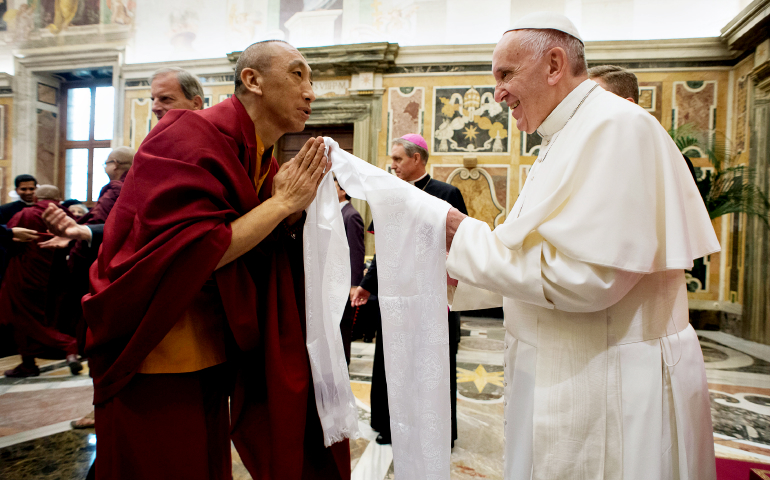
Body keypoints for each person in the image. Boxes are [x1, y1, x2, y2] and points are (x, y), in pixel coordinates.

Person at [444, 13, 719, 480]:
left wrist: (461, 235)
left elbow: (589, 280)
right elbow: (530, 257)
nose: (498, 94)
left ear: (554, 64)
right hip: (566, 368)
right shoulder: (563, 135)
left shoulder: (615, 127)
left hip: (612, 380)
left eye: (506, 75)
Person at [81, 40, 348, 480]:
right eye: (298, 74)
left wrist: (287, 211)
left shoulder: (258, 154)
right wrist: (281, 206)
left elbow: (252, 248)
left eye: (311, 79)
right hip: (157, 346)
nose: (310, 92)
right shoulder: (186, 132)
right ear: (252, 80)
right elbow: (190, 251)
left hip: (212, 347)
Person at [351, 133, 467, 446]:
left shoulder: (447, 193)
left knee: (431, 366)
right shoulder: (392, 196)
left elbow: (459, 246)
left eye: (398, 159)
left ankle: (436, 429)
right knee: (393, 362)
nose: (393, 165)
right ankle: (390, 425)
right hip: (396, 298)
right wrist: (366, 285)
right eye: (392, 159)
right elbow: (384, 250)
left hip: (432, 300)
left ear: (417, 159)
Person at [0, 185, 82, 377]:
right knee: (44, 318)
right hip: (59, 278)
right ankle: (28, 363)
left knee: (21, 318)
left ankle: (69, 345)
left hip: (25, 275)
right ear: (59, 198)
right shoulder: (68, 216)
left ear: (37, 196)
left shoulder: (27, 214)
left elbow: (9, 241)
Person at [588, 64, 698, 182]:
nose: (586, 110)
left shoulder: (674, 165)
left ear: (627, 105)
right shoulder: (586, 160)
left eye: (595, 101)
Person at [334, 177, 364, 365]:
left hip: (344, 283)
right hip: (333, 281)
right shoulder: (335, 213)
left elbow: (356, 251)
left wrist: (354, 284)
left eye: (333, 186)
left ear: (344, 191)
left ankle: (343, 364)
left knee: (343, 326)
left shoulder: (351, 215)